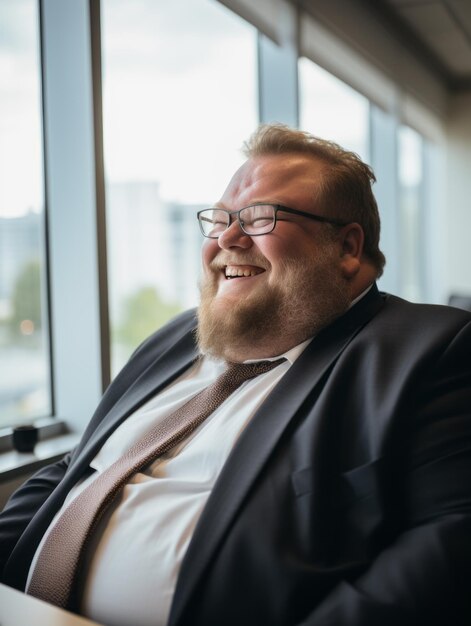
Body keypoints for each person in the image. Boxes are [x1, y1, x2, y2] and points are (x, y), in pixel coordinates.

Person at [1, 123, 471, 626]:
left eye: (260, 217)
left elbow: (448, 546)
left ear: (348, 249)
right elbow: (78, 464)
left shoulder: (430, 350)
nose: (227, 237)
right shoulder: (176, 339)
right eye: (221, 217)